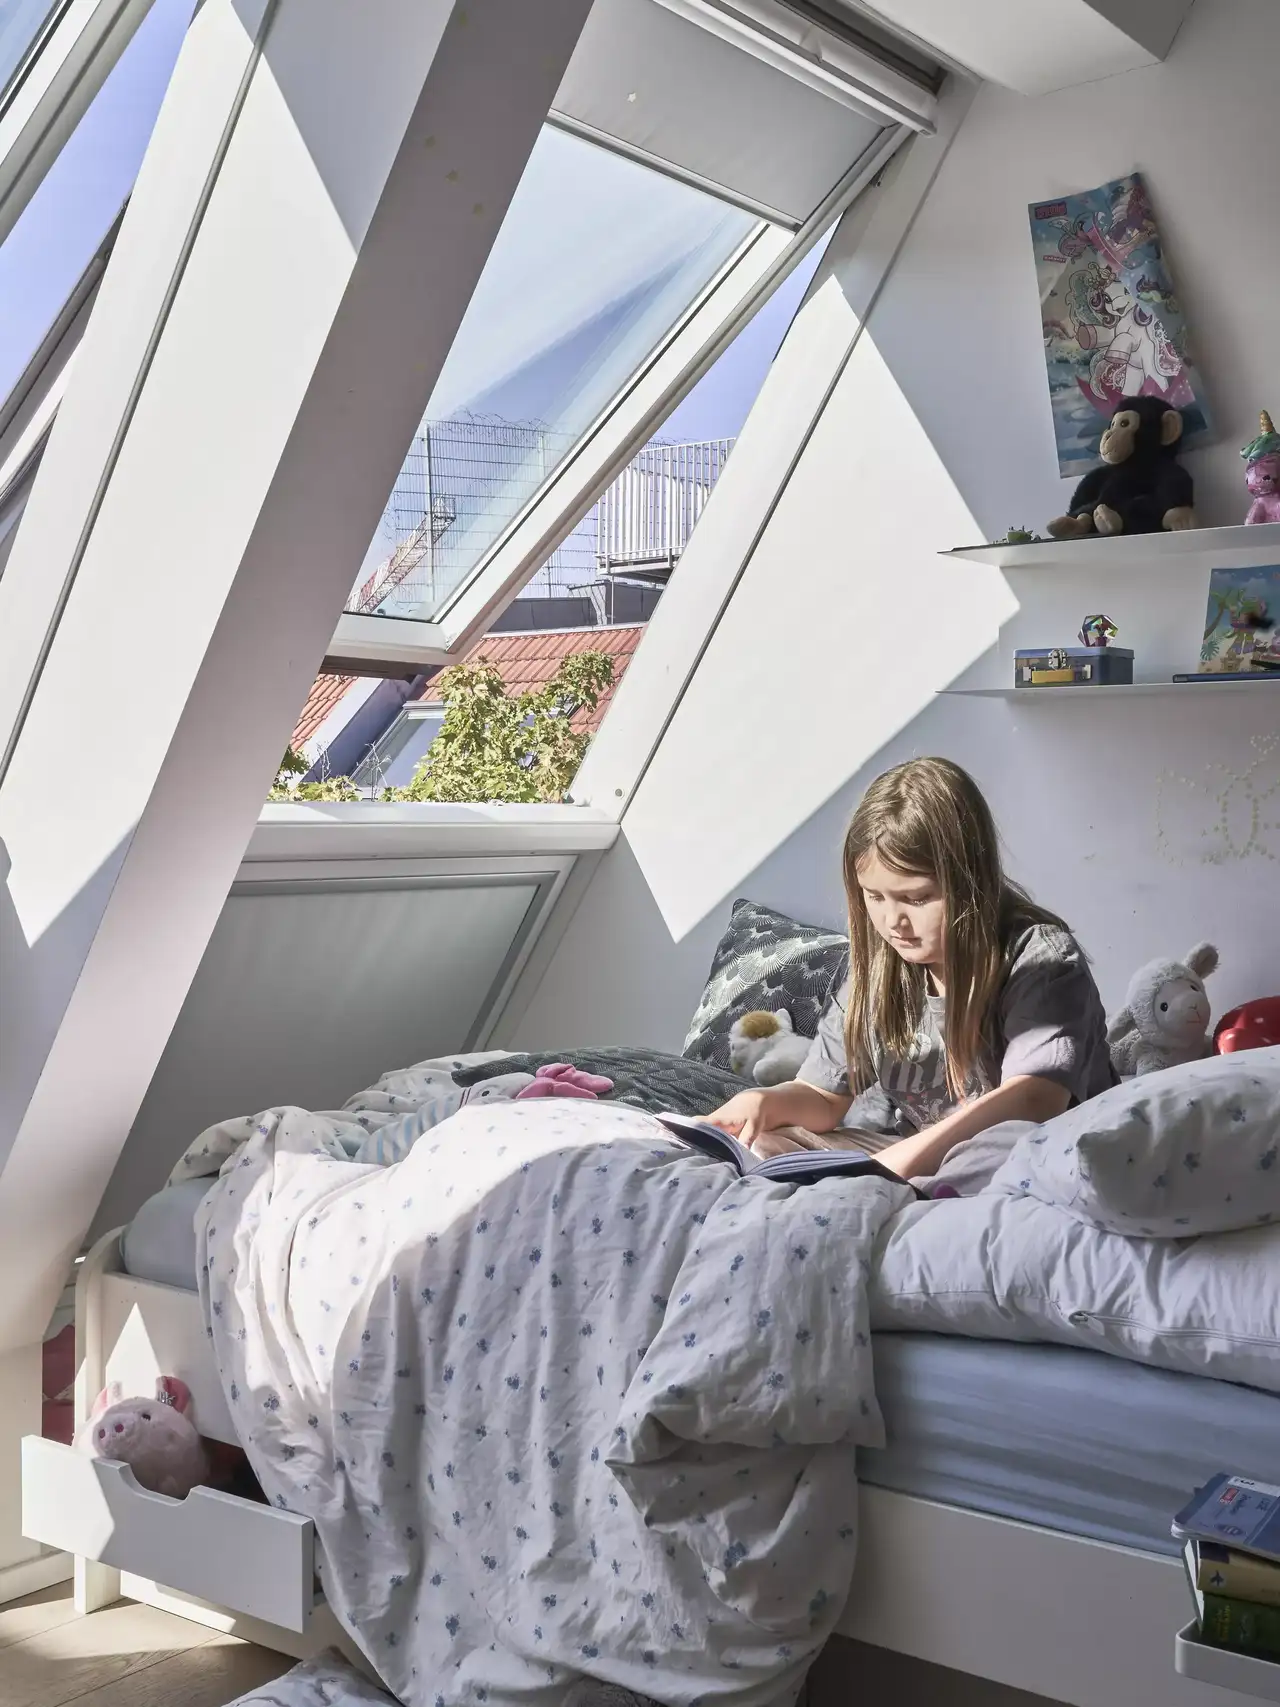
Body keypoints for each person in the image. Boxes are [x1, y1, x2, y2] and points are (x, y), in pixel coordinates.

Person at [706, 757, 1115, 1180]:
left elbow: (1034, 1100)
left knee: (999, 1153)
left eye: (917, 899)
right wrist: (763, 1102)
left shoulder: (1040, 957)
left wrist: (895, 1167)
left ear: (968, 882)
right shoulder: (881, 970)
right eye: (874, 897)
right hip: (913, 1156)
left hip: (1041, 1153)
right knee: (769, 1143)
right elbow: (822, 1097)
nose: (892, 922)